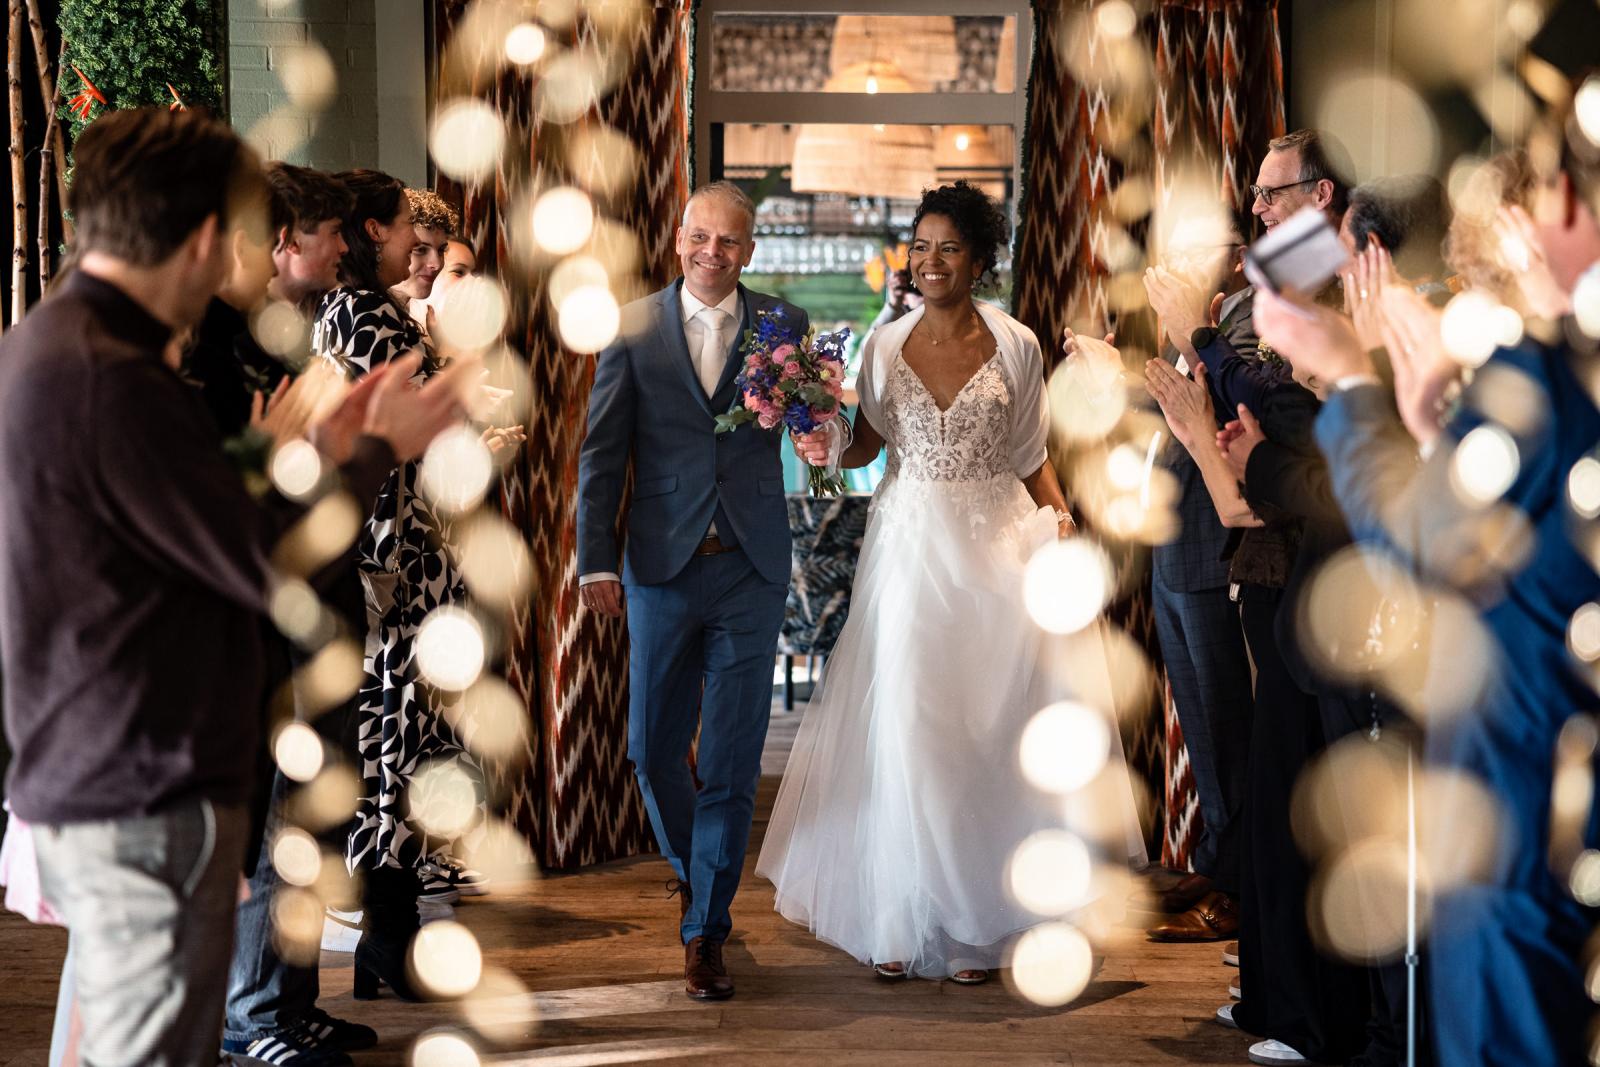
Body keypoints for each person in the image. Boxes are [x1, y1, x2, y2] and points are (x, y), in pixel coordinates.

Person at [0, 106, 465, 1067]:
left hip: (115, 760)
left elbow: (179, 534)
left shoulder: (70, 344)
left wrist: (311, 451)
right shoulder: (109, 374)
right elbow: (261, 559)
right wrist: (375, 448)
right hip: (139, 770)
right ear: (208, 234)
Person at [1251, 76, 1600, 1064]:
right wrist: (1424, 416)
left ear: (1564, 205)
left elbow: (1422, 541)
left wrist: (1351, 384)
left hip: (1525, 785)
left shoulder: (1544, 372)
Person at [763, 181, 1146, 984]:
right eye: (921, 246)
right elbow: (865, 447)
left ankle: (976, 921)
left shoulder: (1017, 343)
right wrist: (818, 437)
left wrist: (1065, 523)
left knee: (986, 736)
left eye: (949, 249)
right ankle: (901, 913)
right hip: (910, 552)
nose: (931, 262)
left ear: (979, 260)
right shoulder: (883, 344)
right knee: (911, 725)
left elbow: (1031, 455)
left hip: (999, 550)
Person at [577, 180, 807, 1002]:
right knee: (649, 747)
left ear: (751, 250)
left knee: (734, 755)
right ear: (678, 240)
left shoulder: (785, 325)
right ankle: (693, 868)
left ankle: (705, 927)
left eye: (732, 242)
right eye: (701, 238)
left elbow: (808, 424)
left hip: (749, 563)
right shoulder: (633, 326)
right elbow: (602, 455)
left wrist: (818, 431)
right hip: (658, 569)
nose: (715, 253)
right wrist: (594, 561)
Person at [313, 169, 489, 998]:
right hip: (398, 562)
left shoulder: (351, 313)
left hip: (403, 552)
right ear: (371, 233)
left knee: (400, 739)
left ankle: (389, 930)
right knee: (396, 740)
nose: (413, 256)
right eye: (401, 238)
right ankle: (388, 931)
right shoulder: (369, 316)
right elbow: (425, 430)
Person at [394, 187, 457, 325]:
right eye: (421, 250)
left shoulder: (405, 316)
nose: (437, 264)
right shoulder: (367, 314)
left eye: (441, 250)